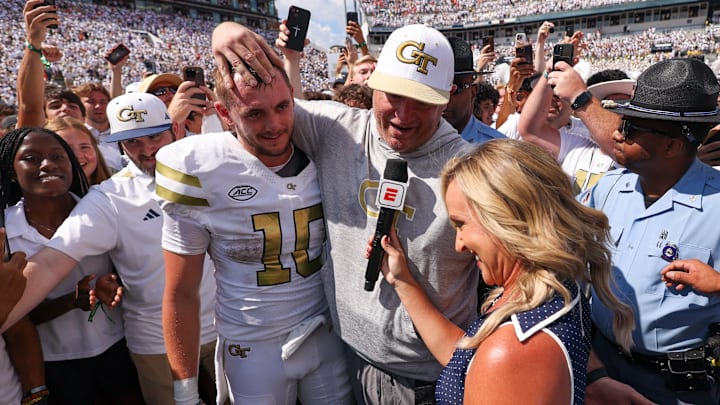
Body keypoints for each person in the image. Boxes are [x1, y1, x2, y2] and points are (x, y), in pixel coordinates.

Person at [214, 22, 478, 403]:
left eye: (421, 100)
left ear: (447, 97)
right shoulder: (336, 129)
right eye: (393, 95)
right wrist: (225, 33)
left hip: (418, 379)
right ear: (374, 85)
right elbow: (268, 108)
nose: (403, 115)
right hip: (342, 357)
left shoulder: (472, 170)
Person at [373, 139, 634, 403]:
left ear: (505, 219)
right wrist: (401, 280)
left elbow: (496, 361)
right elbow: (469, 359)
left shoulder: (511, 350)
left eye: (461, 224)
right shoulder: (557, 286)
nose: (458, 244)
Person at [0, 93, 219, 405]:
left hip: (229, 329)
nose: (147, 151)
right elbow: (51, 262)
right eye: (132, 143)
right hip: (159, 345)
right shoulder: (110, 198)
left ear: (175, 128)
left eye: (154, 136)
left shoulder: (212, 169)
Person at [155, 65, 352, 405]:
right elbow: (181, 293)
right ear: (224, 113)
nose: (274, 125)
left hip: (325, 332)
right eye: (255, 113)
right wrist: (185, 391)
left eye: (281, 107)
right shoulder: (199, 167)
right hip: (253, 346)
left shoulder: (325, 149)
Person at [577, 58, 720, 404]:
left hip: (674, 388)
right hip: (600, 368)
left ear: (672, 145)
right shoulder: (607, 187)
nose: (616, 133)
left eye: (631, 128)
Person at [0, 127, 143, 404]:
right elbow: (11, 320)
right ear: (9, 170)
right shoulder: (5, 234)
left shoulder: (106, 212)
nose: (48, 164)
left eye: (58, 156)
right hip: (52, 364)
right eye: (31, 158)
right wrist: (70, 302)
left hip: (119, 348)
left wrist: (117, 283)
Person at [443, 36, 504, 143]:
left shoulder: (496, 148)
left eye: (455, 89)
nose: (444, 98)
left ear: (472, 92)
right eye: (436, 88)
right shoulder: (413, 143)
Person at [44, 117, 113, 185]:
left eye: (84, 147)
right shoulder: (37, 195)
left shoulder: (117, 190)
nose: (77, 155)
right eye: (67, 148)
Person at [74, 83, 126, 172]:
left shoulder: (123, 135)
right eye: (91, 102)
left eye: (103, 102)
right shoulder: (76, 136)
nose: (98, 106)